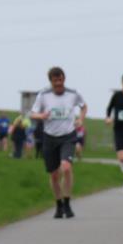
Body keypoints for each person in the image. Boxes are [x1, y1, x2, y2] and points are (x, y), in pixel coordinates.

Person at [30, 67, 86, 218]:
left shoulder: (73, 93)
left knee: (66, 168)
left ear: (64, 79)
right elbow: (33, 113)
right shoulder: (44, 95)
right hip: (49, 137)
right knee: (54, 175)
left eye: (60, 80)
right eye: (55, 81)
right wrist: (42, 115)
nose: (58, 84)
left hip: (68, 136)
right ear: (51, 82)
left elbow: (83, 106)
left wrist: (80, 119)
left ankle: (67, 203)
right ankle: (59, 204)